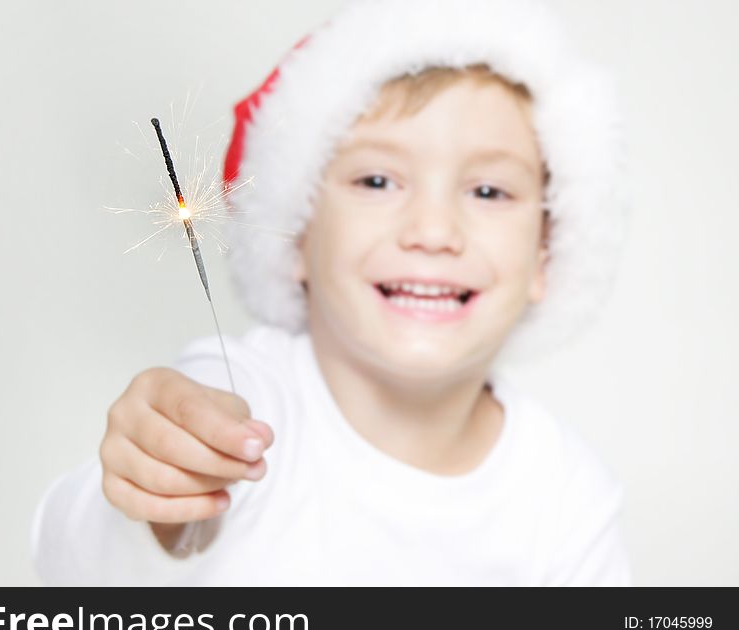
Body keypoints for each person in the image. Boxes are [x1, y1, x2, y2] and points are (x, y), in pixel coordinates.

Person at [32, 0, 632, 585]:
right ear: (296, 233)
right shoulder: (242, 400)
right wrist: (155, 501)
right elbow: (75, 566)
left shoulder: (566, 499)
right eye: (376, 180)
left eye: (489, 192)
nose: (433, 231)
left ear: (545, 255)